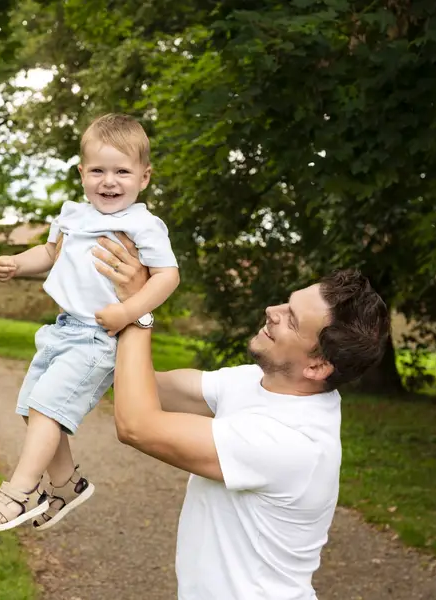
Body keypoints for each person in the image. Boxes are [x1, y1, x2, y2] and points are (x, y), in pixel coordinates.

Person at [91, 235, 390, 599]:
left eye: (291, 320)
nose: (272, 310)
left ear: (318, 365)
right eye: (287, 302)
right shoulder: (259, 381)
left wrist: (138, 309)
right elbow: (146, 388)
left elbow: (137, 425)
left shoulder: (293, 443)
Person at [0, 114, 181, 532]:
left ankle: (21, 491)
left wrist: (128, 312)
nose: (109, 181)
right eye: (98, 170)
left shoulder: (143, 224)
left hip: (98, 336)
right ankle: (67, 484)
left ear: (144, 177)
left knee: (48, 407)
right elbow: (50, 253)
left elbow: (167, 276)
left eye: (122, 171)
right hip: (61, 329)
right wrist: (18, 262)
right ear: (81, 173)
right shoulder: (73, 216)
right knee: (33, 409)